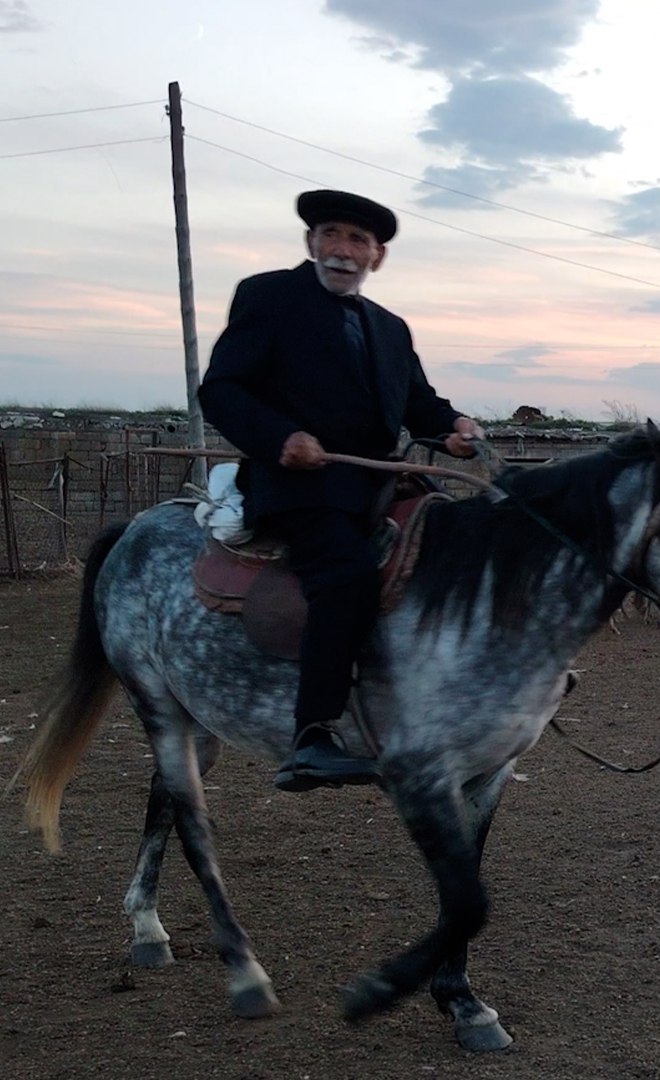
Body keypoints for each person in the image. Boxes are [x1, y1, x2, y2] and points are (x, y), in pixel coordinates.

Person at [198, 189, 485, 792]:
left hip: (379, 485)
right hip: (297, 487)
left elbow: (419, 405)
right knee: (347, 573)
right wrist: (280, 437)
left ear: (377, 257)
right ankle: (313, 736)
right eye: (332, 234)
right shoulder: (270, 297)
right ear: (311, 243)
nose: (343, 250)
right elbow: (222, 389)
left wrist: (452, 430)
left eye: (359, 241)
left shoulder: (390, 328)